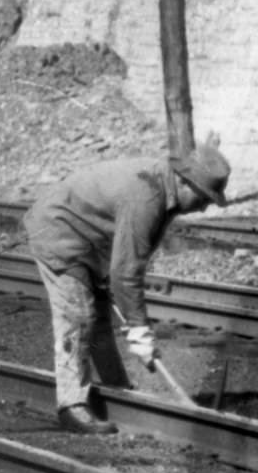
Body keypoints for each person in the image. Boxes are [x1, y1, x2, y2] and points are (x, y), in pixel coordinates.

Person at [24, 139, 231, 434]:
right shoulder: (146, 197)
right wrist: (140, 331)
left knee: (99, 321)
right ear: (185, 182)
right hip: (58, 232)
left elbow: (127, 258)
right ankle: (71, 406)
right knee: (79, 316)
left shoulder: (164, 190)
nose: (205, 207)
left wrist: (130, 315)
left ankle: (119, 393)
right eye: (205, 197)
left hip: (88, 239)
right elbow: (127, 272)